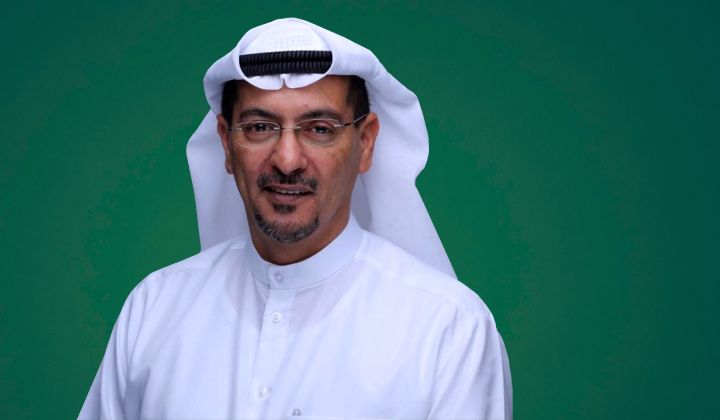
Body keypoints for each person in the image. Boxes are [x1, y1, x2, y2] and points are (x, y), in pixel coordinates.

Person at [79, 18, 512, 419]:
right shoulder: (154, 309)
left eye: (319, 129)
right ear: (226, 144)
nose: (287, 160)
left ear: (365, 143)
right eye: (259, 127)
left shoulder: (448, 329)